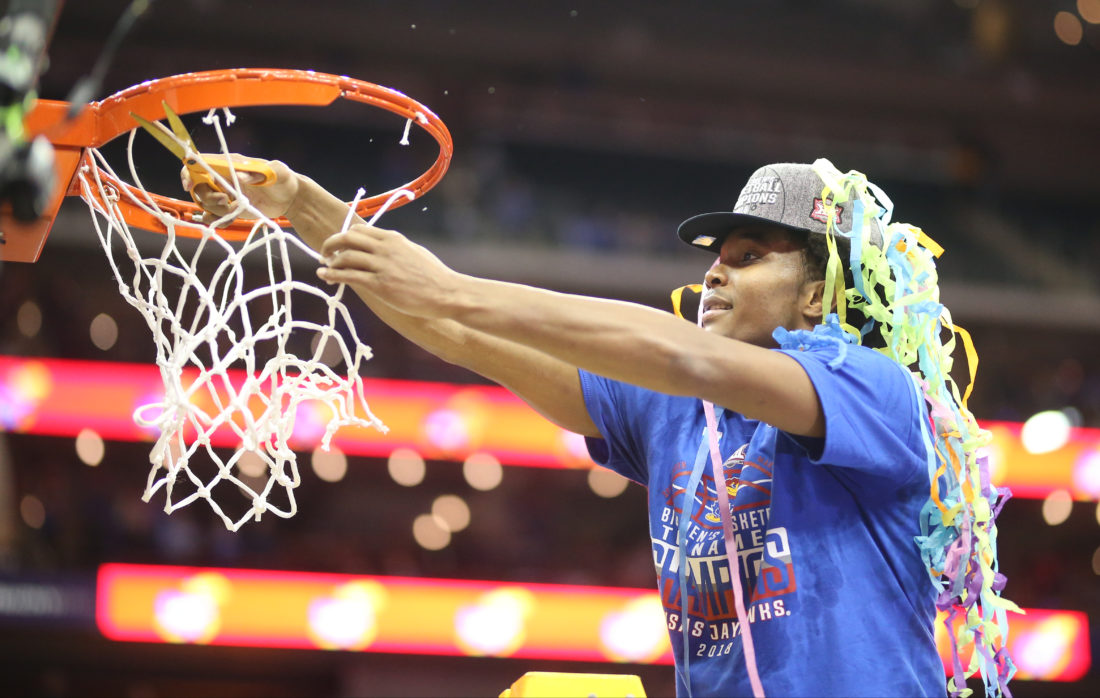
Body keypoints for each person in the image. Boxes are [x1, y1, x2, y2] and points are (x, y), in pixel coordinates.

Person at [187, 157, 1015, 698]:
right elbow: (460, 334)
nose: (714, 271)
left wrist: (454, 286)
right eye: (715, 255)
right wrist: (305, 208)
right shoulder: (673, 408)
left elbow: (685, 356)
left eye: (750, 255)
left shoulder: (874, 390)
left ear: (818, 294)